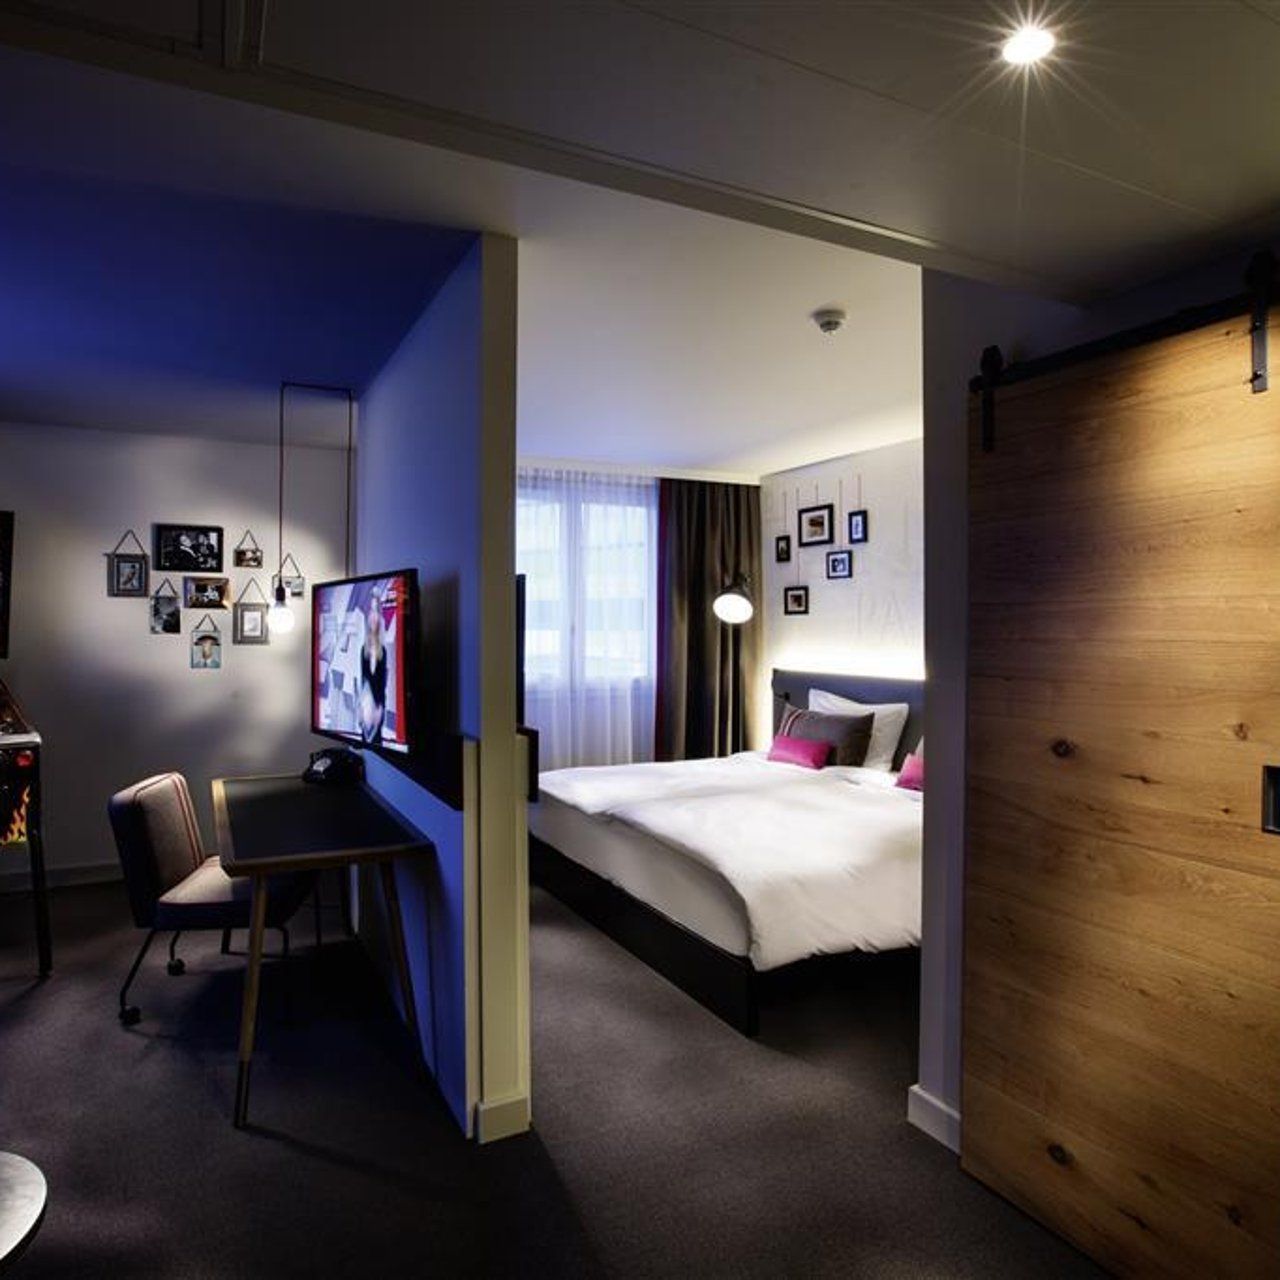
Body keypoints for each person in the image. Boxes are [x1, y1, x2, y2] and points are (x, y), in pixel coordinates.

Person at [358, 593, 387, 744]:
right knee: (365, 744)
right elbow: (363, 681)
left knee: (376, 744)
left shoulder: (383, 651)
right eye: (371, 610)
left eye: (376, 610)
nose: (373, 616)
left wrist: (380, 707)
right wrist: (360, 707)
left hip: (377, 707)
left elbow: (382, 683)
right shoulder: (363, 650)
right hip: (365, 707)